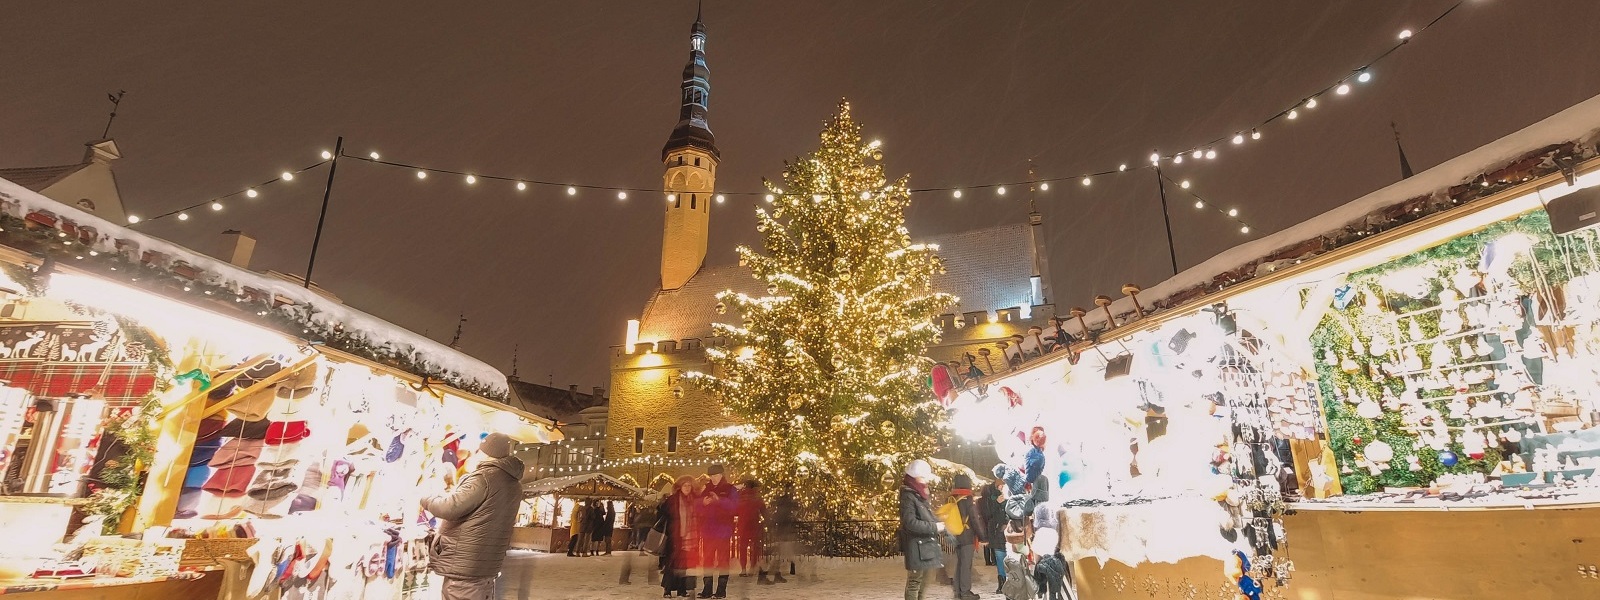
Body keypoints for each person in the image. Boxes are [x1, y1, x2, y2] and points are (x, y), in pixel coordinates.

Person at [420, 432, 524, 600]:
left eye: (479, 450)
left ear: (486, 452)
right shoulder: (514, 483)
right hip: (485, 564)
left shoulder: (484, 478)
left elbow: (450, 507)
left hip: (466, 563)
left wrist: (425, 499)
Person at [899, 459, 944, 600]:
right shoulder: (908, 495)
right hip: (916, 547)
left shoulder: (919, 494)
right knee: (915, 583)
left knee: (923, 583)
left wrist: (940, 524)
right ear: (915, 477)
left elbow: (927, 516)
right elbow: (910, 523)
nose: (926, 480)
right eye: (923, 477)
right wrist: (935, 527)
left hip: (925, 547)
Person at [697, 464, 737, 598]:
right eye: (711, 476)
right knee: (707, 561)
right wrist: (702, 503)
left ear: (721, 475)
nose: (713, 478)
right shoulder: (706, 489)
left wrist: (719, 501)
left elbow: (735, 507)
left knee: (723, 562)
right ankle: (707, 589)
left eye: (716, 475)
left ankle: (721, 590)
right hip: (708, 530)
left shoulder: (730, 489)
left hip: (723, 531)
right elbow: (697, 506)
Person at [659, 476, 701, 597]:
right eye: (685, 485)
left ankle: (682, 589)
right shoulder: (673, 500)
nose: (687, 488)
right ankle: (667, 589)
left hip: (690, 538)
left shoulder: (694, 500)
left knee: (685, 566)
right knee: (672, 564)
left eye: (689, 485)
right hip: (675, 537)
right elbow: (663, 513)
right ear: (679, 487)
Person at [949, 473, 983, 600]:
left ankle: (958, 591)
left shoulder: (952, 498)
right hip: (967, 536)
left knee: (959, 564)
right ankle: (965, 592)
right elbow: (974, 519)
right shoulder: (968, 499)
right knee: (966, 565)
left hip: (956, 535)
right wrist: (982, 536)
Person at [977, 475, 1008, 593]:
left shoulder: (1011, 496)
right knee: (1000, 557)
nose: (1001, 488)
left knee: (1011, 558)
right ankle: (1002, 583)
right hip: (996, 531)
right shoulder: (990, 498)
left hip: (1010, 531)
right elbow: (987, 514)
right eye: (1000, 485)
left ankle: (1012, 581)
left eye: (1003, 485)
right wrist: (996, 503)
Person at [761, 484, 797, 585]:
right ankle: (773, 572)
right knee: (781, 551)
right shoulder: (788, 503)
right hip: (785, 529)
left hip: (781, 528)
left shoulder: (781, 503)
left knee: (781, 551)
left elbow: (777, 515)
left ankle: (775, 572)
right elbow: (786, 515)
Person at [734, 478, 764, 579]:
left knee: (742, 547)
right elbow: (763, 510)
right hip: (754, 524)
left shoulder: (740, 496)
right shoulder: (757, 497)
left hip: (743, 525)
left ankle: (743, 569)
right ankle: (752, 567)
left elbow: (735, 510)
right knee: (754, 547)